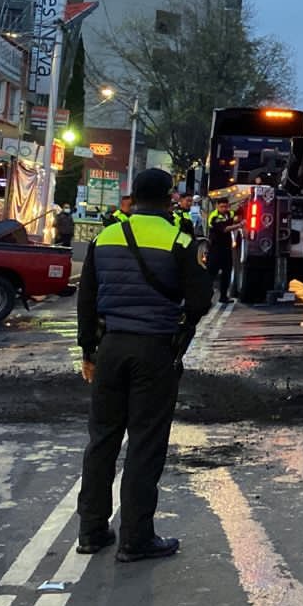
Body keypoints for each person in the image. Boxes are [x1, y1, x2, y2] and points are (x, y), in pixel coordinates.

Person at [76, 169, 213, 563]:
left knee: (102, 440)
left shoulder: (106, 237)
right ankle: (136, 539)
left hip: (110, 349)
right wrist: (181, 328)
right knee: (144, 444)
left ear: (132, 196)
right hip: (155, 350)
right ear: (170, 198)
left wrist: (88, 351)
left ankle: (91, 530)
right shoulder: (180, 238)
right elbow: (200, 298)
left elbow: (86, 300)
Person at [207, 206, 236, 304]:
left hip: (226, 249)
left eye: (225, 206)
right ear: (217, 206)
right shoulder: (214, 216)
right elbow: (224, 229)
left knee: (226, 274)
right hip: (215, 249)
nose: (224, 208)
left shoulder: (229, 214)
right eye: (222, 206)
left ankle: (223, 297)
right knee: (211, 274)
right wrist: (239, 225)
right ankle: (206, 298)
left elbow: (234, 216)